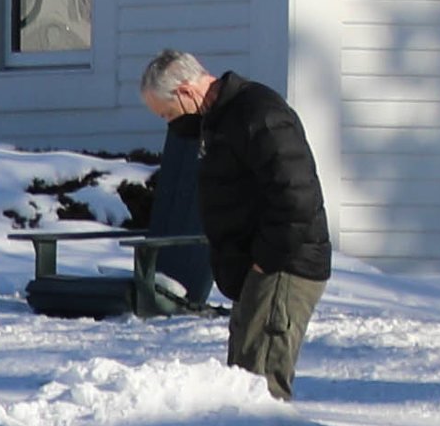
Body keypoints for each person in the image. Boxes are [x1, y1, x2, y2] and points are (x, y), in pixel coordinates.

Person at [142, 50, 334, 396]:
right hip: (262, 272)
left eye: (169, 114)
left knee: (260, 388)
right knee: (243, 384)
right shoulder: (221, 121)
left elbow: (296, 197)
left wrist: (264, 263)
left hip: (283, 269)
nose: (171, 125)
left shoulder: (256, 113)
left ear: (187, 92)